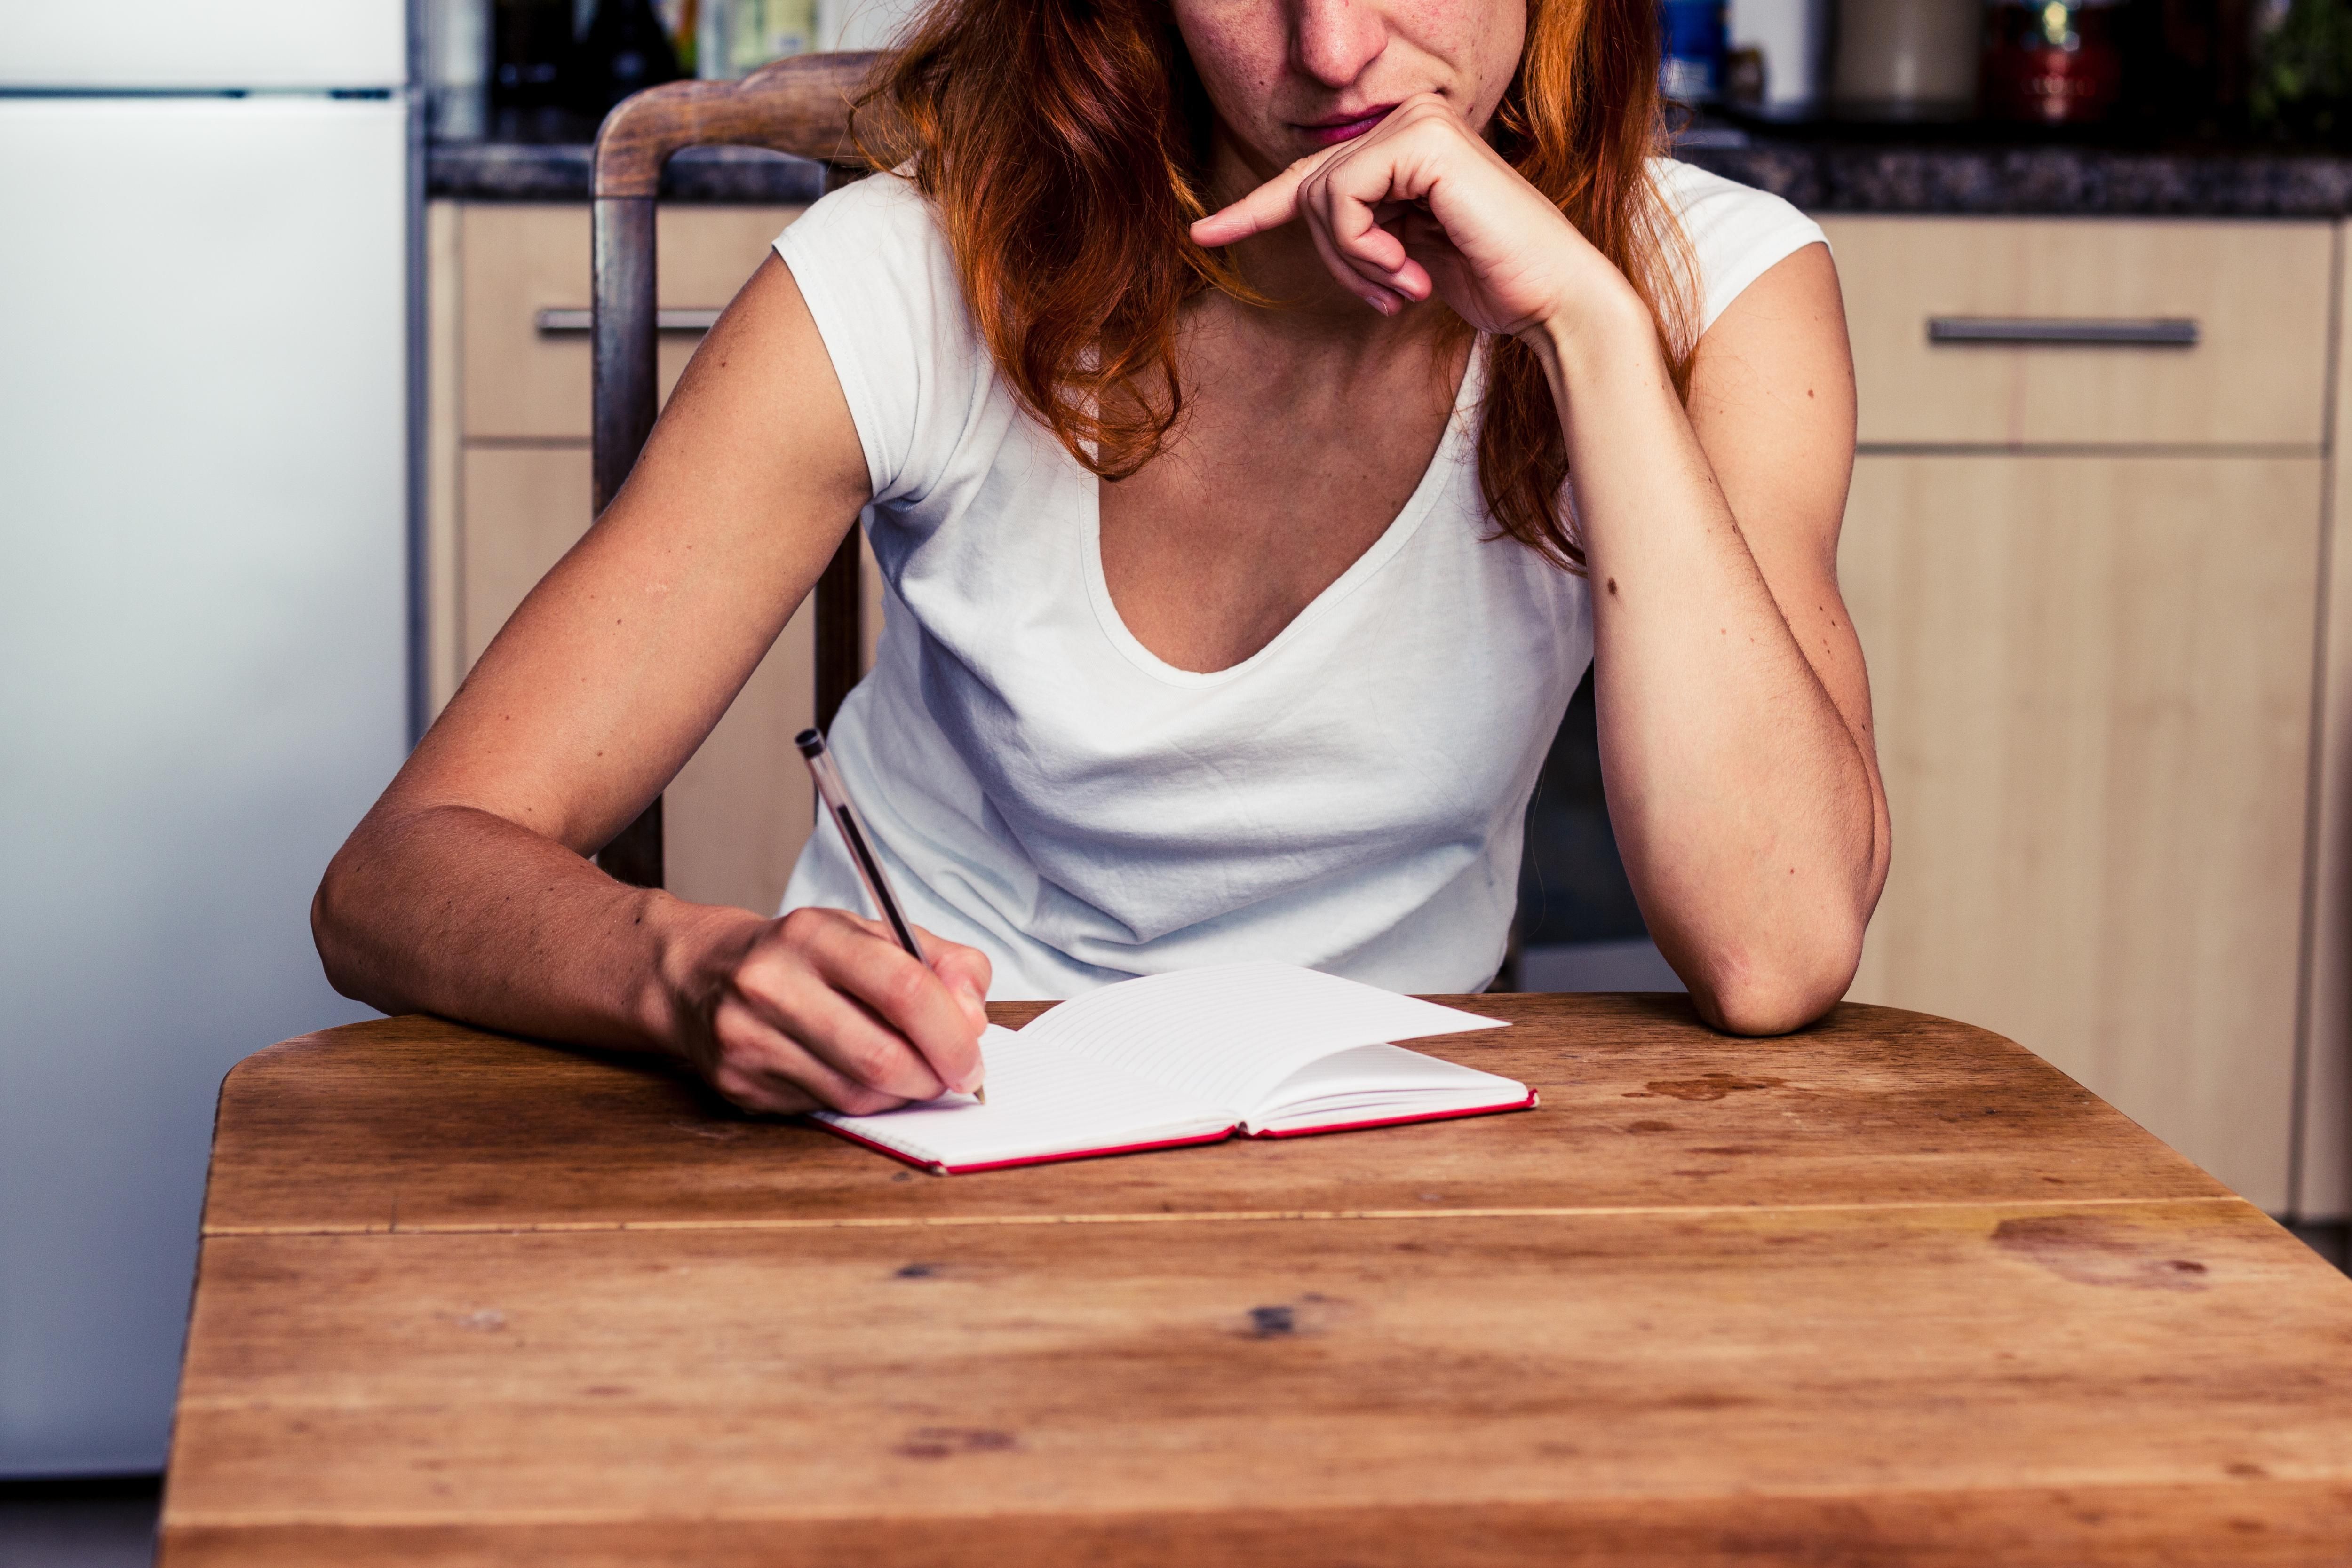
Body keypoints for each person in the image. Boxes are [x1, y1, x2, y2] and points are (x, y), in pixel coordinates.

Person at [313, 0, 1888, 1118]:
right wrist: (695, 977)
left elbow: (1776, 946)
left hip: (1375, 1140)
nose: (1333, 50)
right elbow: (397, 878)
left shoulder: (1709, 291)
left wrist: (1587, 331)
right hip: (928, 1130)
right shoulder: (907, 277)